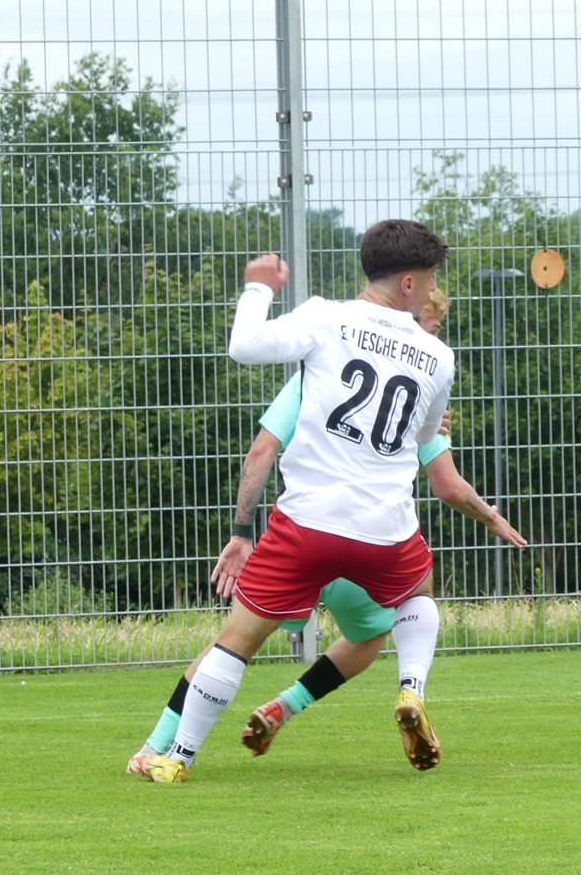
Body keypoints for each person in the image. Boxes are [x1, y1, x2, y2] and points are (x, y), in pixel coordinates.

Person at [137, 220, 483, 784]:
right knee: (417, 595)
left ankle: (177, 757)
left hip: (307, 523)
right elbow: (425, 438)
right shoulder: (438, 357)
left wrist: (259, 287)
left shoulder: (326, 316)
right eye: (429, 279)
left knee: (238, 639)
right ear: (409, 284)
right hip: (385, 531)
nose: (430, 289)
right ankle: (411, 687)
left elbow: (244, 346)